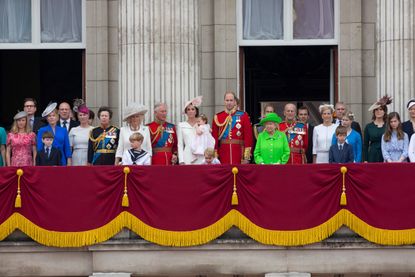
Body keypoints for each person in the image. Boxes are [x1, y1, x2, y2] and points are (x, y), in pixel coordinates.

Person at [212, 91, 253, 164]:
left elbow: (248, 137)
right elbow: (214, 139)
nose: (229, 102)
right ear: (224, 102)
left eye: (231, 100)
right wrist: (215, 155)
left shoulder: (243, 116)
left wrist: (247, 157)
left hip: (239, 152)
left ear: (235, 102)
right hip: (223, 153)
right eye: (227, 100)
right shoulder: (218, 117)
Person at [363, 96, 391, 162]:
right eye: (376, 109)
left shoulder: (388, 125)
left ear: (384, 112)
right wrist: (365, 160)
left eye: (381, 109)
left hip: (386, 155)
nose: (378, 111)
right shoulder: (368, 127)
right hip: (372, 155)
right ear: (374, 112)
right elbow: (365, 145)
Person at [177, 96, 203, 165]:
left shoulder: (201, 124)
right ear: (186, 112)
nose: (190, 111)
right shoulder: (181, 125)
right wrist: (181, 160)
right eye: (188, 109)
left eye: (192, 109)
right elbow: (180, 144)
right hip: (187, 156)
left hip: (200, 155)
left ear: (196, 111)